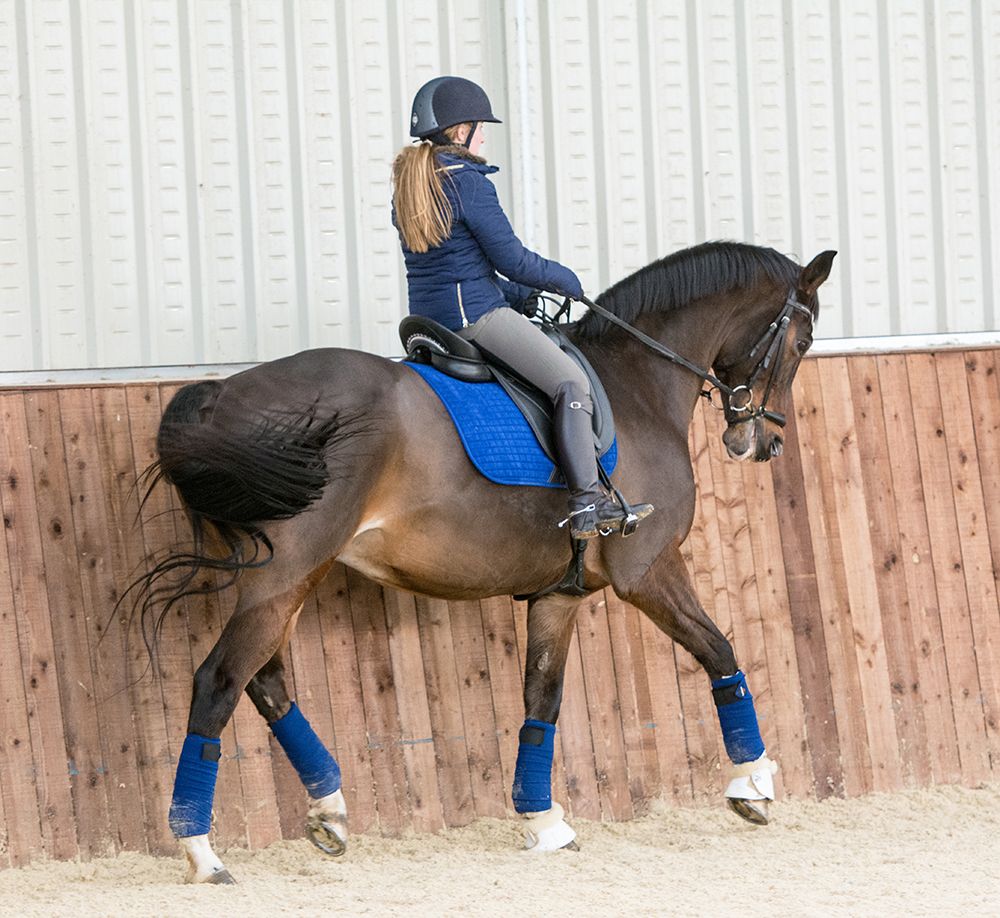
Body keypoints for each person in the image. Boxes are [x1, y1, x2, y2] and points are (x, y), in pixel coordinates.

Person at [391, 75, 651, 540]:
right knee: (569, 382)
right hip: (475, 320)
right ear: (458, 130)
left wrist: (517, 298)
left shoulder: (414, 184)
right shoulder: (468, 183)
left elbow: (452, 265)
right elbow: (513, 260)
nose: (483, 136)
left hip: (430, 319)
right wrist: (563, 279)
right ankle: (587, 501)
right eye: (478, 126)